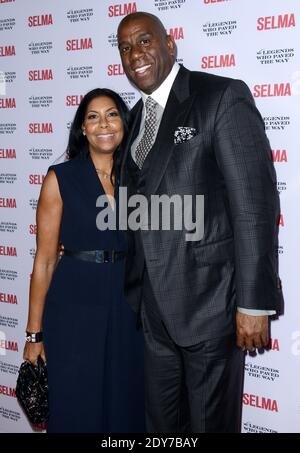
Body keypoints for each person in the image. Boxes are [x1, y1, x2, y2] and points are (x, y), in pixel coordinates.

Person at [117, 12, 283, 433]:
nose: (135, 53)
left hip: (211, 303)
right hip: (153, 310)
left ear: (170, 45)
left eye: (144, 41)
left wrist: (253, 303)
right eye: (125, 47)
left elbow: (253, 205)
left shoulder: (220, 96)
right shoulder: (135, 119)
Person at [23, 88, 145, 433]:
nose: (103, 123)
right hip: (74, 303)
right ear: (82, 129)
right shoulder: (60, 178)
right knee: (78, 402)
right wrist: (34, 335)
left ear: (125, 123)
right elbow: (45, 260)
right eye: (93, 117)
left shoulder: (139, 179)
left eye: (112, 114)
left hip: (129, 304)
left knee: (127, 402)